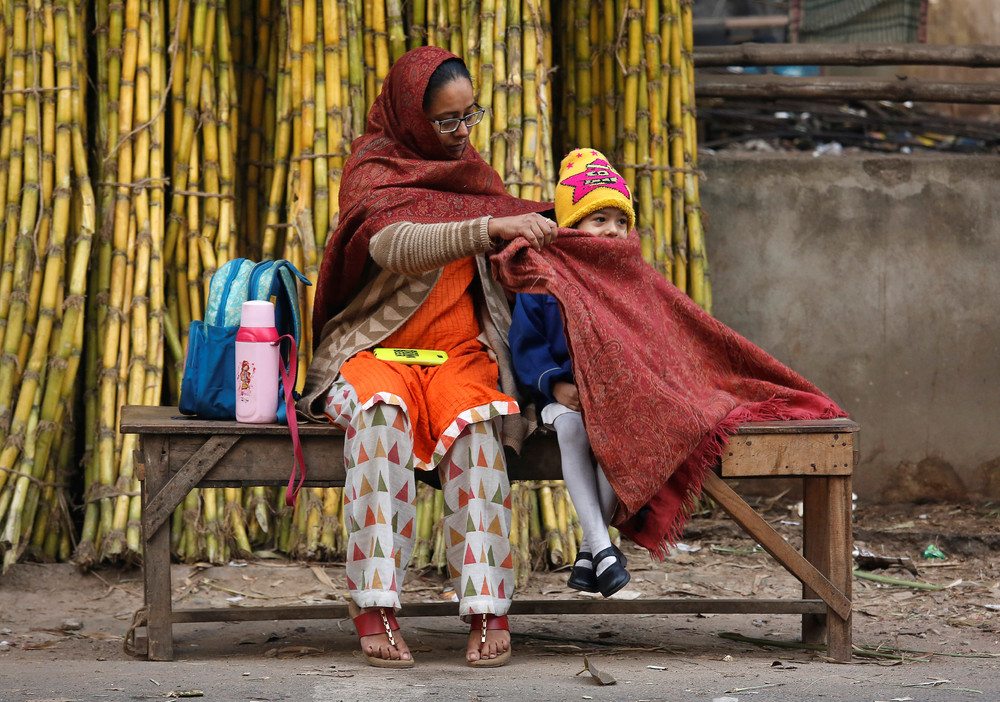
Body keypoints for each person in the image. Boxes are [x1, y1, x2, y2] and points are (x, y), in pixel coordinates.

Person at [297, 47, 558, 668]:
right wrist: (488, 227)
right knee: (380, 417)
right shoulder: (372, 169)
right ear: (412, 119)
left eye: (470, 116)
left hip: (457, 356)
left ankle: (488, 607)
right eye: (447, 121)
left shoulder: (472, 176)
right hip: (373, 353)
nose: (462, 132)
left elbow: (508, 246)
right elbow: (396, 246)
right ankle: (375, 605)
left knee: (476, 433)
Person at [509, 148, 634, 598]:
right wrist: (557, 385)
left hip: (617, 398)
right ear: (571, 224)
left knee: (622, 438)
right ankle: (601, 544)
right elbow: (525, 344)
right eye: (598, 219)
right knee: (575, 431)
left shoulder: (631, 280)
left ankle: (590, 552)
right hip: (560, 395)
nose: (612, 231)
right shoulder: (543, 276)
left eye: (620, 221)